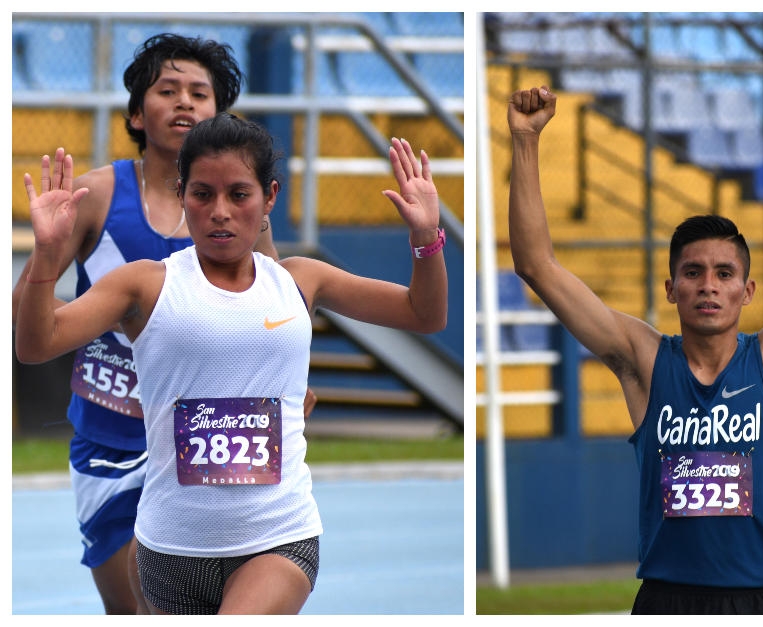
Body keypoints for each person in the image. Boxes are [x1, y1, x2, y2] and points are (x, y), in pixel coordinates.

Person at [506, 85, 763, 614]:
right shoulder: (644, 361)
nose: (708, 285)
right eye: (693, 273)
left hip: (762, 599)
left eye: (724, 274)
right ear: (671, 288)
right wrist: (524, 140)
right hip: (669, 599)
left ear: (746, 292)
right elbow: (536, 265)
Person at [16, 113, 447, 614]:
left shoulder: (301, 280)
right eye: (202, 194)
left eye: (239, 195)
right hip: (169, 548)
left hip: (278, 537)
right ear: (182, 194)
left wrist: (426, 238)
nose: (219, 211)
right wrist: (47, 254)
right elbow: (36, 344)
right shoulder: (144, 284)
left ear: (269, 198)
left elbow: (425, 313)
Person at [10, 33, 312, 614]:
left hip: (209, 445)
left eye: (200, 94)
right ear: (135, 113)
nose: (184, 103)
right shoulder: (97, 195)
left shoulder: (244, 215)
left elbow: (276, 314)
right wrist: (44, 255)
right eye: (166, 90)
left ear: (219, 116)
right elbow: (32, 314)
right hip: (114, 438)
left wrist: (294, 385)